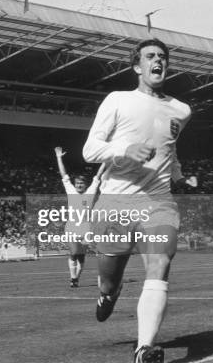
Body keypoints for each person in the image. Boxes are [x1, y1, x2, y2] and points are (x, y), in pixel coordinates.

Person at [82, 38, 195, 363]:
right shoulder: (118, 100)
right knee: (109, 277)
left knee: (159, 266)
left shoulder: (181, 110)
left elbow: (169, 148)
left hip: (158, 201)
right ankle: (108, 293)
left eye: (162, 56)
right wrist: (124, 149)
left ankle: (144, 348)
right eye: (150, 56)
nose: (157, 60)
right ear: (137, 66)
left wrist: (179, 175)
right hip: (116, 203)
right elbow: (90, 150)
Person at [54, 147, 104, 288]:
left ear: (85, 185)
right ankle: (73, 277)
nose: (79, 185)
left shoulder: (91, 192)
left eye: (81, 183)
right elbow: (64, 175)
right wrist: (59, 157)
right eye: (77, 183)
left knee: (81, 257)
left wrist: (107, 160)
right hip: (71, 228)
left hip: (86, 228)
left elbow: (98, 176)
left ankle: (76, 279)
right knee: (74, 253)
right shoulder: (71, 191)